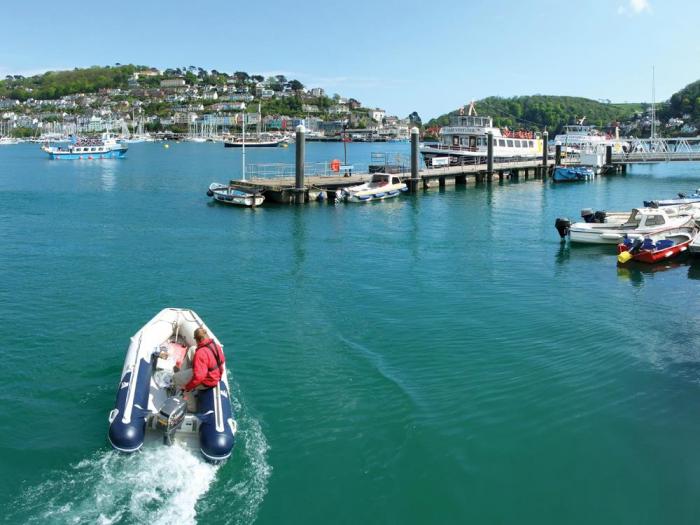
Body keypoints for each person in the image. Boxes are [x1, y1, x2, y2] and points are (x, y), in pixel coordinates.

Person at [172, 327, 225, 410]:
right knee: (192, 350)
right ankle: (182, 373)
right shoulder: (216, 346)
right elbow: (221, 361)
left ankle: (192, 408)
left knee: (175, 378)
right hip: (214, 375)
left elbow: (199, 377)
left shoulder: (201, 353)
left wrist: (188, 387)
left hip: (207, 382)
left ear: (198, 339)